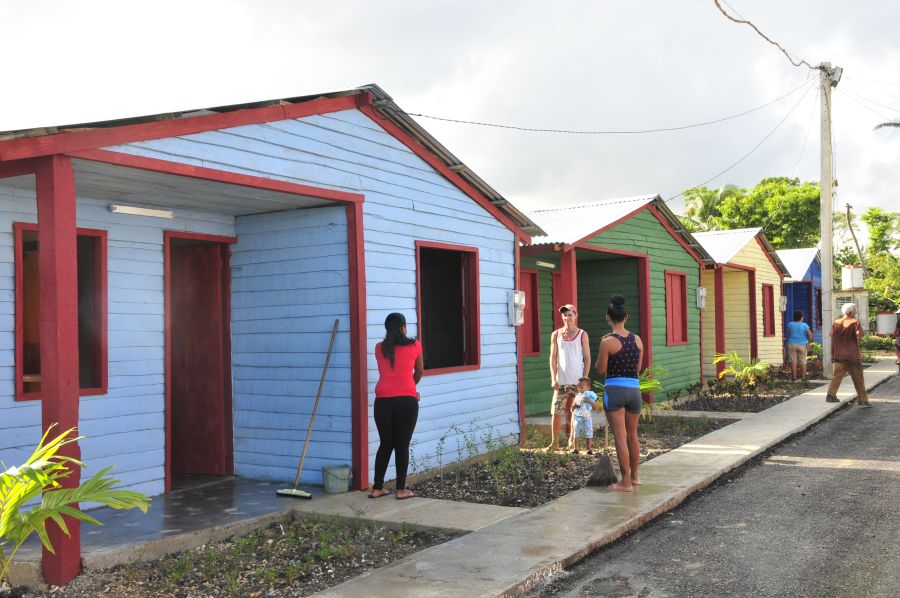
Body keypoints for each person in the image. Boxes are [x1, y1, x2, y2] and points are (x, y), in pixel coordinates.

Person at [370, 312, 424, 499]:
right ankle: (401, 490)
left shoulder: (379, 348)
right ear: (403, 327)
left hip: (383, 401)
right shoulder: (415, 345)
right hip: (407, 402)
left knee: (385, 444)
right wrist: (409, 388)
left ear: (387, 329)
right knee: (402, 444)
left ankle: (377, 488)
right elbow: (419, 371)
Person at [595, 295, 644, 492]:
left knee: (620, 436)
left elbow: (600, 369)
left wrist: (601, 350)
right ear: (626, 317)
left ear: (608, 318)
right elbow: (638, 368)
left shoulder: (607, 342)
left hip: (614, 391)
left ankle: (624, 483)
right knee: (633, 435)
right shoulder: (638, 340)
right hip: (634, 391)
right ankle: (635, 477)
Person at [548, 304, 591, 452]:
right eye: (565, 315)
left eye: (570, 315)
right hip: (561, 382)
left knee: (576, 412)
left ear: (576, 316)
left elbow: (587, 357)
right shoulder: (556, 334)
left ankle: (573, 442)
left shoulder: (582, 334)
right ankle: (554, 443)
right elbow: (552, 358)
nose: (567, 318)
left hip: (577, 383)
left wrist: (585, 378)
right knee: (556, 411)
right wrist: (553, 378)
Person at [825, 303, 870, 408]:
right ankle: (862, 400)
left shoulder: (836, 323)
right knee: (858, 377)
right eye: (855, 310)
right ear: (850, 312)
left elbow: (833, 340)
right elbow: (859, 336)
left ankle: (831, 395)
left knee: (837, 375)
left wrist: (832, 354)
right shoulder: (855, 323)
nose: (856, 311)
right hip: (852, 355)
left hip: (839, 355)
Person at [568, 377, 597, 454]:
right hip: (578, 418)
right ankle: (576, 448)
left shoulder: (590, 396)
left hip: (587, 418)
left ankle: (589, 448)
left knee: (589, 432)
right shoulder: (577, 396)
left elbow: (595, 407)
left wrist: (589, 401)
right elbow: (572, 409)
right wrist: (575, 406)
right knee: (576, 432)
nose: (579, 388)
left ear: (588, 388)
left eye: (582, 387)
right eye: (578, 387)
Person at [785, 309, 813, 380]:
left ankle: (794, 377)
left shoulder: (790, 324)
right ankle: (803, 377)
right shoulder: (804, 325)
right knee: (803, 361)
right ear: (801, 317)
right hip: (802, 344)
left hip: (792, 344)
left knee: (793, 360)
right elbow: (810, 335)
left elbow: (788, 334)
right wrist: (809, 343)